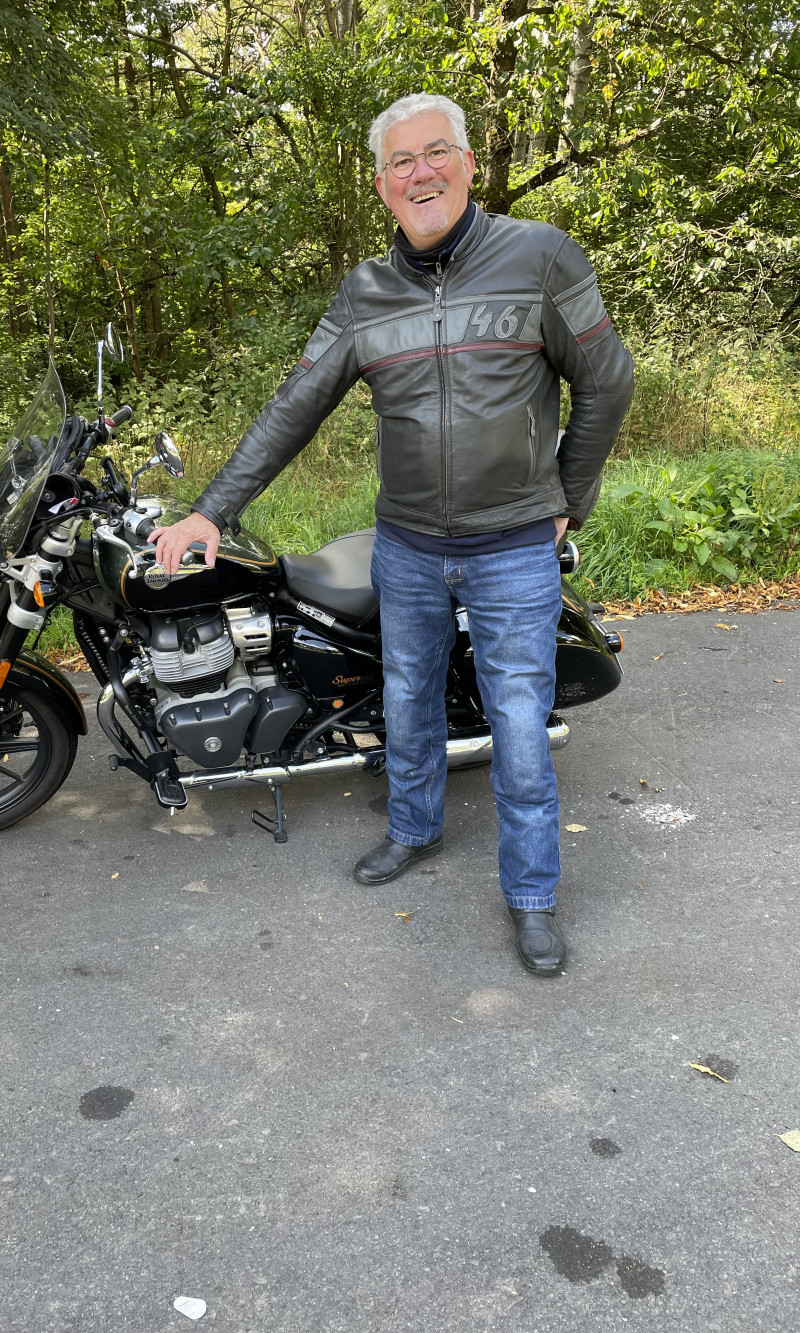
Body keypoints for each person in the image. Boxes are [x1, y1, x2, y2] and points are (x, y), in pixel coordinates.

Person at [150, 92, 634, 977]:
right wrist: (209, 509)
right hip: (406, 546)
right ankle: (413, 828)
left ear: (467, 162)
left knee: (519, 725)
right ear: (382, 186)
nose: (421, 173)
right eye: (401, 162)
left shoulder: (540, 258)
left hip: (513, 546)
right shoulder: (364, 293)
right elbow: (295, 406)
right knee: (406, 699)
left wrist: (570, 496)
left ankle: (532, 896)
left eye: (435, 152)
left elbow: (608, 380)